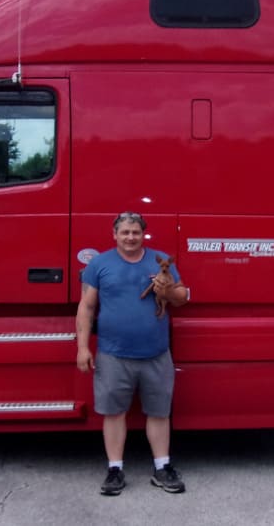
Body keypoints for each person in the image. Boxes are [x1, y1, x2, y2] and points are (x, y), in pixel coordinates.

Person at [75, 212, 191, 496]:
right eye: (125, 232)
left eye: (135, 232)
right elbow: (86, 307)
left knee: (159, 413)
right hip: (113, 354)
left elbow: (183, 297)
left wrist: (169, 291)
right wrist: (82, 347)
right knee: (114, 414)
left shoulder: (160, 260)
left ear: (143, 235)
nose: (130, 237)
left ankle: (162, 468)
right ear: (114, 234)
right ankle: (115, 470)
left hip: (156, 354)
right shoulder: (99, 265)